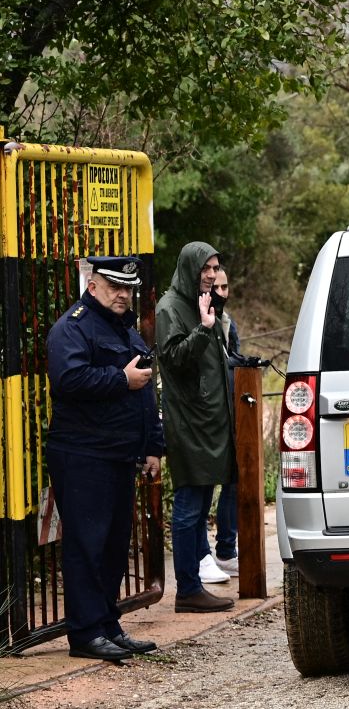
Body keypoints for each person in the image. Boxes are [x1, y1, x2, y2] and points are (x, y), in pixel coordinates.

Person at [45, 256, 163, 660]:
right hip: (81, 453)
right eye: (115, 287)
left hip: (117, 452)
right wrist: (120, 379)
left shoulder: (123, 328)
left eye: (128, 288)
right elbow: (69, 379)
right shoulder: (73, 327)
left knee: (114, 545)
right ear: (92, 286)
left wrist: (152, 446)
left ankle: (108, 625)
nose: (123, 294)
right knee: (87, 544)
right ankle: (84, 633)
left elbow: (145, 389)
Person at [156, 242, 236, 613]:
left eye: (216, 266)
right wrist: (204, 328)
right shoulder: (170, 308)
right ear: (190, 267)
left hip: (209, 423)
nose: (212, 273)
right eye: (207, 267)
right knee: (188, 508)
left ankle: (193, 584)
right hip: (189, 424)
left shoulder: (202, 303)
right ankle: (187, 589)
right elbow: (172, 360)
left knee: (201, 505)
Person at [210, 267, 246, 576]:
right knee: (205, 485)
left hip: (232, 411)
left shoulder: (228, 322)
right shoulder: (199, 320)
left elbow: (234, 359)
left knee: (233, 480)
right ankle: (205, 555)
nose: (222, 292)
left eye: (225, 285)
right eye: (216, 286)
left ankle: (225, 548)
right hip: (209, 414)